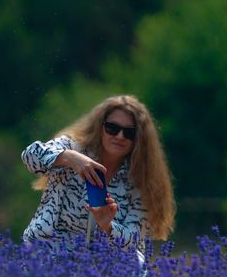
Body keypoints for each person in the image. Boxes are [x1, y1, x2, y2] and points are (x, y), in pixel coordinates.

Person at [20, 95, 175, 256]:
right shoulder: (72, 147)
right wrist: (69, 158)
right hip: (49, 251)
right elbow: (30, 156)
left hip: (102, 266)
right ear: (100, 127)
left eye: (129, 133)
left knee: (137, 264)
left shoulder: (141, 180)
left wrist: (108, 226)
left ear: (139, 139)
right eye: (112, 128)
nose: (120, 136)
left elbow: (134, 239)